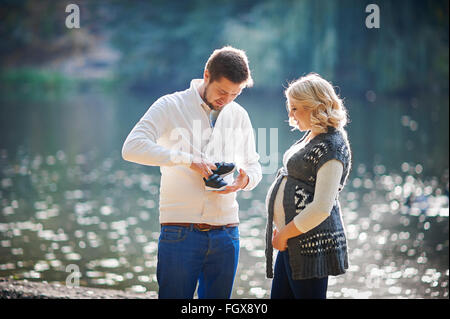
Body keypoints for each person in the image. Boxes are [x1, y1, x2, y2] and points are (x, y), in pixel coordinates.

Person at [122, 46, 262, 299]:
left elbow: (254, 165)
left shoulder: (239, 114)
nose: (227, 100)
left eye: (235, 93)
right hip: (180, 230)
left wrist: (246, 179)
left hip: (228, 230)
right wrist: (187, 160)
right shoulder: (169, 105)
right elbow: (131, 148)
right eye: (222, 91)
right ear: (207, 75)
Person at [265, 73, 352, 299]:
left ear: (314, 107)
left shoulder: (332, 146)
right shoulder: (313, 134)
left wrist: (284, 233)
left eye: (295, 108)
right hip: (293, 239)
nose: (290, 114)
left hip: (311, 245)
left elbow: (322, 207)